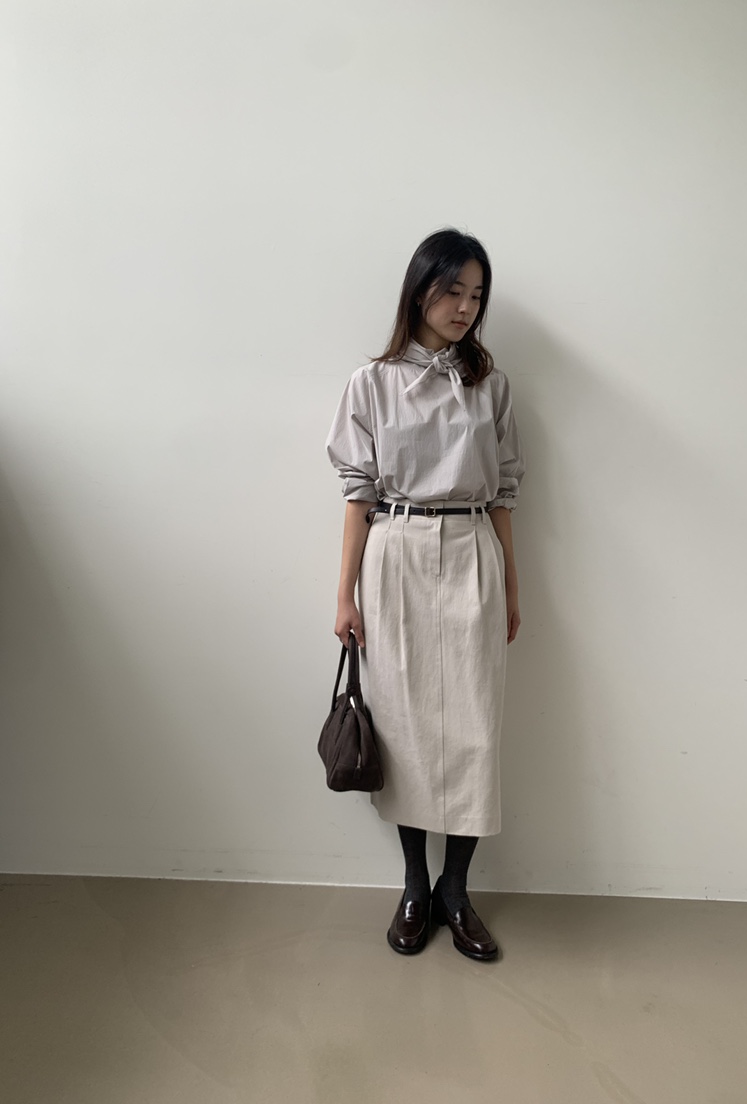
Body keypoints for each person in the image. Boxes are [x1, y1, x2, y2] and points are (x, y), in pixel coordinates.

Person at [326, 228, 525, 961]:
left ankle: (456, 891)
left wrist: (511, 583)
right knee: (404, 727)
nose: (466, 307)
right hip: (397, 551)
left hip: (472, 548)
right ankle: (415, 887)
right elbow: (358, 494)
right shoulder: (372, 383)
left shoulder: (490, 386)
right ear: (419, 292)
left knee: (475, 728)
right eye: (453, 291)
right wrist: (344, 596)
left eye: (477, 295)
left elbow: (504, 493)